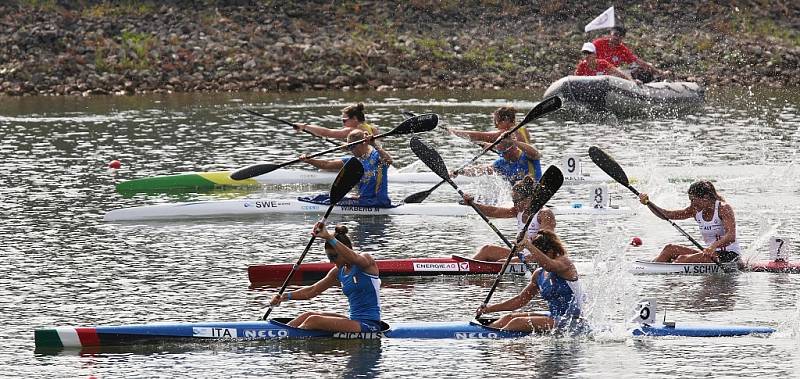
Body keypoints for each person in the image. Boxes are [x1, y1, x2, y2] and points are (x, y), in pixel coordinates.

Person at [270, 223, 383, 332]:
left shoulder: (366, 261)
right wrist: (284, 297)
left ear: (345, 249)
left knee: (313, 320)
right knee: (308, 315)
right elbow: (312, 290)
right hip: (353, 320)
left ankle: (290, 339)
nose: (330, 260)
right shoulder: (338, 271)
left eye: (333, 256)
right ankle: (279, 332)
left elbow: (354, 258)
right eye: (329, 256)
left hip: (370, 325)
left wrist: (329, 237)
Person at [476, 230, 584, 332]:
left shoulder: (565, 264)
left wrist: (528, 244)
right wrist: (489, 309)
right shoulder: (538, 274)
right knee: (508, 317)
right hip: (554, 316)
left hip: (572, 320)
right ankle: (484, 332)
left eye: (537, 255)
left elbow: (550, 266)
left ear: (551, 252)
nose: (535, 259)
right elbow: (520, 299)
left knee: (517, 322)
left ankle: (498, 341)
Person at [638, 181, 740, 263]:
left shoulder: (723, 208)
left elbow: (731, 236)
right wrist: (648, 203)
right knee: (669, 249)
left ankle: (669, 269)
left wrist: (713, 246)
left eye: (693, 200)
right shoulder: (695, 210)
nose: (692, 203)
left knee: (682, 260)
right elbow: (666, 215)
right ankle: (653, 268)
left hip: (728, 256)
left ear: (705, 198)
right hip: (709, 253)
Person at [462, 175, 556, 262]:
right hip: (521, 253)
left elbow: (549, 244)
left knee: (502, 262)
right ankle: (465, 266)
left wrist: (524, 255)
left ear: (529, 198)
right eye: (513, 201)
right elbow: (494, 211)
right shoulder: (518, 211)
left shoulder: (544, 214)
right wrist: (473, 204)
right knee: (487, 250)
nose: (514, 204)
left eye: (517, 201)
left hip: (538, 257)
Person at [299, 129, 393, 207]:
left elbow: (389, 161)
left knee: (330, 202)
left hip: (378, 201)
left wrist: (374, 144)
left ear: (363, 143)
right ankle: (302, 201)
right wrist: (308, 160)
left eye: (353, 147)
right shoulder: (354, 161)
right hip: (364, 200)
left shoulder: (376, 156)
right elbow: (326, 164)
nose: (351, 150)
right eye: (349, 147)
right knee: (322, 197)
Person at [592, 26, 669, 83]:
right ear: (610, 34)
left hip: (611, 76)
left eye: (620, 36)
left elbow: (639, 62)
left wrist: (659, 72)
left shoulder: (622, 49)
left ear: (623, 38)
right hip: (594, 73)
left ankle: (652, 81)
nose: (617, 37)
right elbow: (587, 57)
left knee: (639, 69)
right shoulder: (598, 43)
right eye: (615, 34)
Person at [455, 134, 542, 183]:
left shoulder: (527, 156)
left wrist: (513, 141)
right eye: (499, 152)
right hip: (519, 201)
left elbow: (536, 153)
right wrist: (459, 171)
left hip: (535, 193)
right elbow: (481, 169)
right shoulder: (501, 163)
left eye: (503, 152)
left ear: (513, 148)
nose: (502, 155)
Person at [449, 106, 532, 145]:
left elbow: (478, 135)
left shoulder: (506, 133)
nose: (496, 126)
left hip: (521, 171)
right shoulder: (523, 129)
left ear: (506, 120)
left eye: (496, 122)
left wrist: (453, 132)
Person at [293, 103, 379, 140]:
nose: (343, 123)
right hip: (374, 162)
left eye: (344, 120)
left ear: (355, 118)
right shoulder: (373, 128)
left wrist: (304, 126)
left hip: (365, 165)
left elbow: (326, 132)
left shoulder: (351, 131)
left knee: (325, 166)